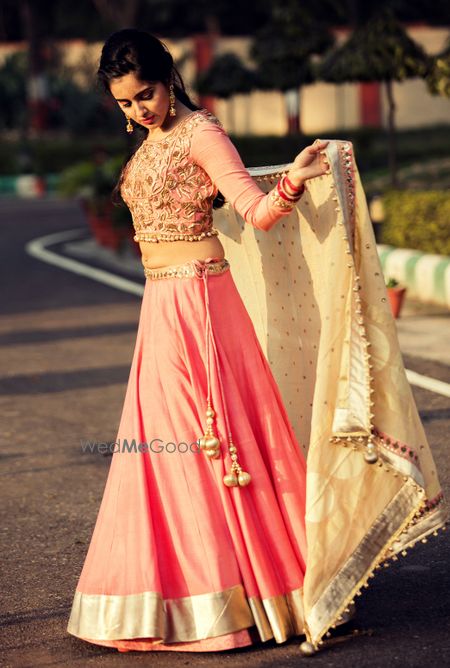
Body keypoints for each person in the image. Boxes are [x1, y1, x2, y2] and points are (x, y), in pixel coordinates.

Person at [67, 28, 448, 655]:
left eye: (146, 96)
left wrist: (293, 181)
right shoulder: (153, 138)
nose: (138, 112)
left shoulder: (202, 134)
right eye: (125, 104)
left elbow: (255, 210)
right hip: (160, 305)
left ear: (169, 78)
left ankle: (278, 591)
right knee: (165, 454)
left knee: (223, 446)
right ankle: (177, 596)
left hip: (202, 303)